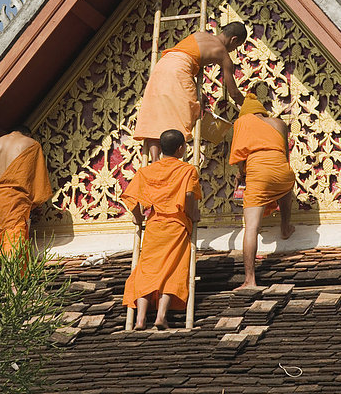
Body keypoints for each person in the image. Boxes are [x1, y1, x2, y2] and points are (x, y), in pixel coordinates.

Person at [122, 129, 202, 330]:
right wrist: (193, 215)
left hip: (154, 226)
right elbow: (190, 196)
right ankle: (161, 316)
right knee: (173, 270)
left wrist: (139, 218)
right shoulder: (188, 170)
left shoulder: (146, 171)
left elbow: (131, 198)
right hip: (177, 226)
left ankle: (140, 319)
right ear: (181, 149)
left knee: (146, 270)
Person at [133, 22, 247, 161]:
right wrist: (250, 106)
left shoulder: (200, 34)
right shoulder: (223, 54)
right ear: (233, 39)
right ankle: (168, 162)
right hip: (179, 71)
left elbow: (186, 56)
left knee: (156, 114)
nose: (233, 50)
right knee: (180, 116)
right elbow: (233, 92)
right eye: (237, 46)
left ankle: (155, 160)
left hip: (162, 65)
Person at [229, 93, 295, 289]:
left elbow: (241, 162)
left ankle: (250, 279)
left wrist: (241, 175)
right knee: (286, 185)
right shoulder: (278, 123)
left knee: (251, 228)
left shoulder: (242, 123)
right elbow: (284, 152)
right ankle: (285, 226)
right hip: (281, 168)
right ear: (261, 111)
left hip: (258, 170)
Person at [0, 126, 52, 262]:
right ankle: (5, 259)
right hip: (15, 199)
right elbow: (38, 178)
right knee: (14, 235)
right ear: (28, 134)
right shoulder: (31, 144)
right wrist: (35, 202)